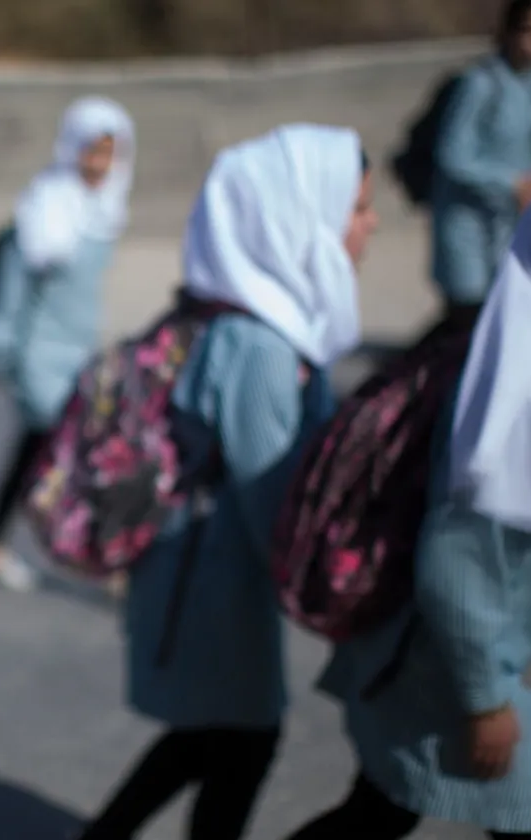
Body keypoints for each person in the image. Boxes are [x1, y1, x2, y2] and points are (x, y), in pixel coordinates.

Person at [284, 161, 531, 840]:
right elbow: (453, 565)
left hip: (442, 656)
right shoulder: (528, 390)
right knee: (530, 822)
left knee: (377, 814)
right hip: (450, 665)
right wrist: (485, 701)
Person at [77, 123, 378, 840]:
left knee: (217, 736)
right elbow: (278, 498)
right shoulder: (259, 346)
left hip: (207, 572)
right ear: (299, 217)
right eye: (357, 209)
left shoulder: (251, 319)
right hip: (209, 582)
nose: (369, 226)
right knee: (239, 737)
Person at [0, 96, 136, 593]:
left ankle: (90, 554)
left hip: (80, 355)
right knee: (52, 450)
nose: (98, 163)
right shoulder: (45, 208)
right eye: (90, 151)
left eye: (109, 152)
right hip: (38, 357)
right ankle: (8, 546)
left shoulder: (101, 209)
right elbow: (9, 290)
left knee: (68, 451)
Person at [431, 0, 531, 320]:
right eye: (529, 31)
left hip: (501, 230)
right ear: (507, 33)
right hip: (466, 230)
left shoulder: (527, 84)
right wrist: (512, 183)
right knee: (465, 325)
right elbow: (452, 155)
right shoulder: (478, 83)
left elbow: (521, 127)